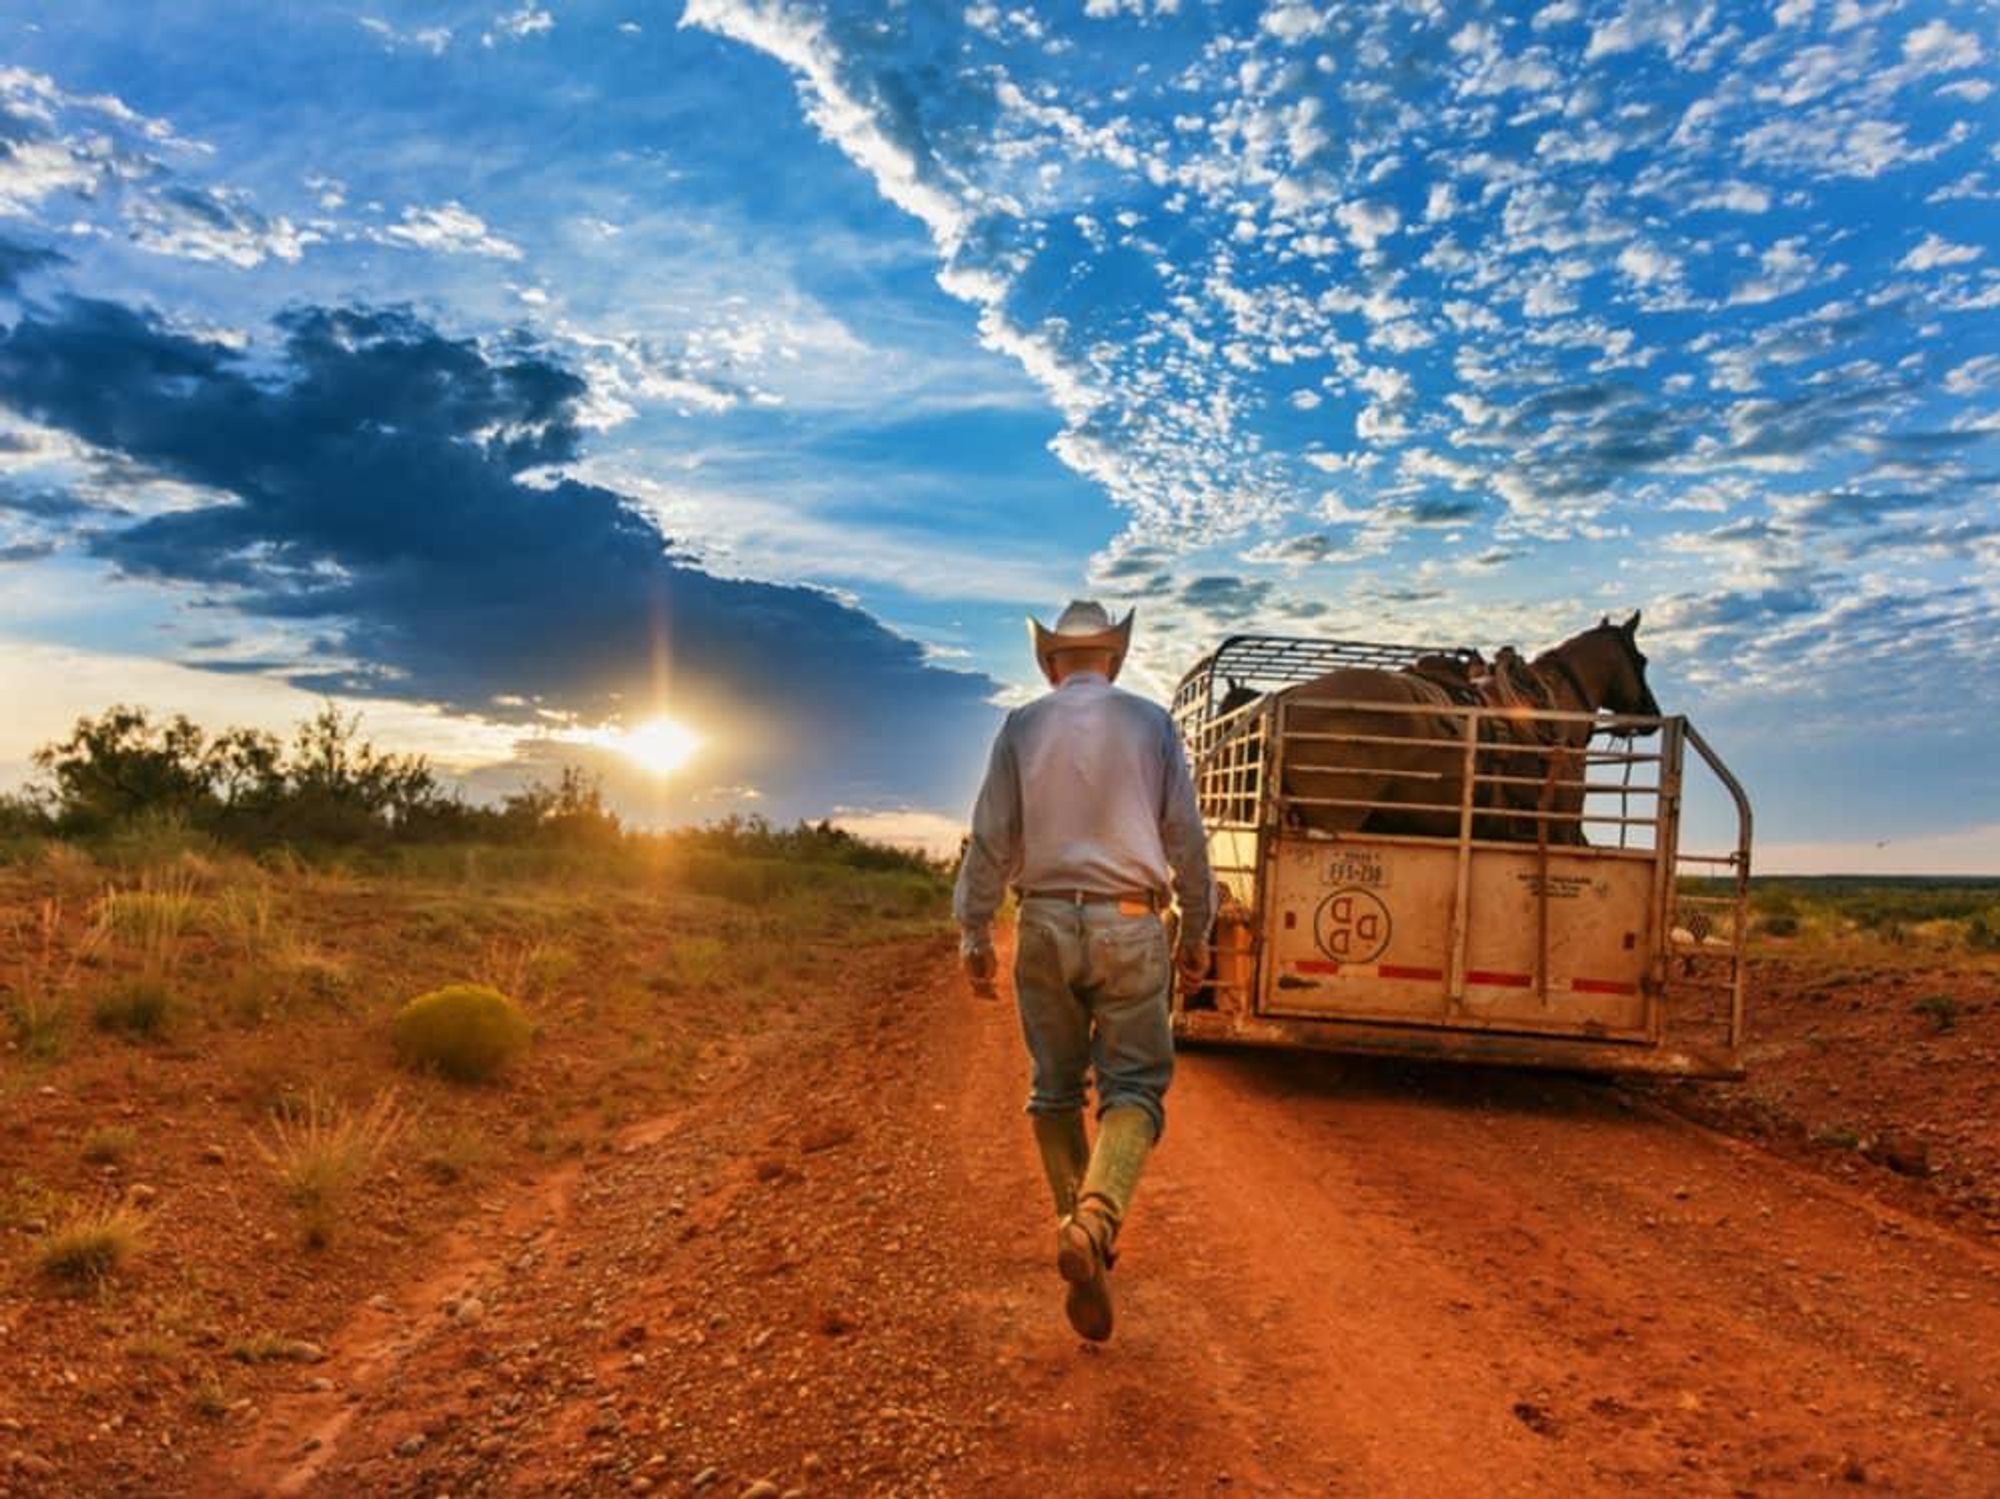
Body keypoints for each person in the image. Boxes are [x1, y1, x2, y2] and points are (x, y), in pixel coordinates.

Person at [953, 599, 1215, 1342]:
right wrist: (1196, 931)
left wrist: (974, 930)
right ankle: (1096, 1219)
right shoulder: (1150, 724)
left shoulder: (1021, 726)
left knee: (1055, 1091)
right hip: (1131, 921)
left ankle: (1080, 1229)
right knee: (1134, 1088)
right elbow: (1186, 839)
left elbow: (991, 837)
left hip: (1039, 921)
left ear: (1049, 663)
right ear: (1115, 658)